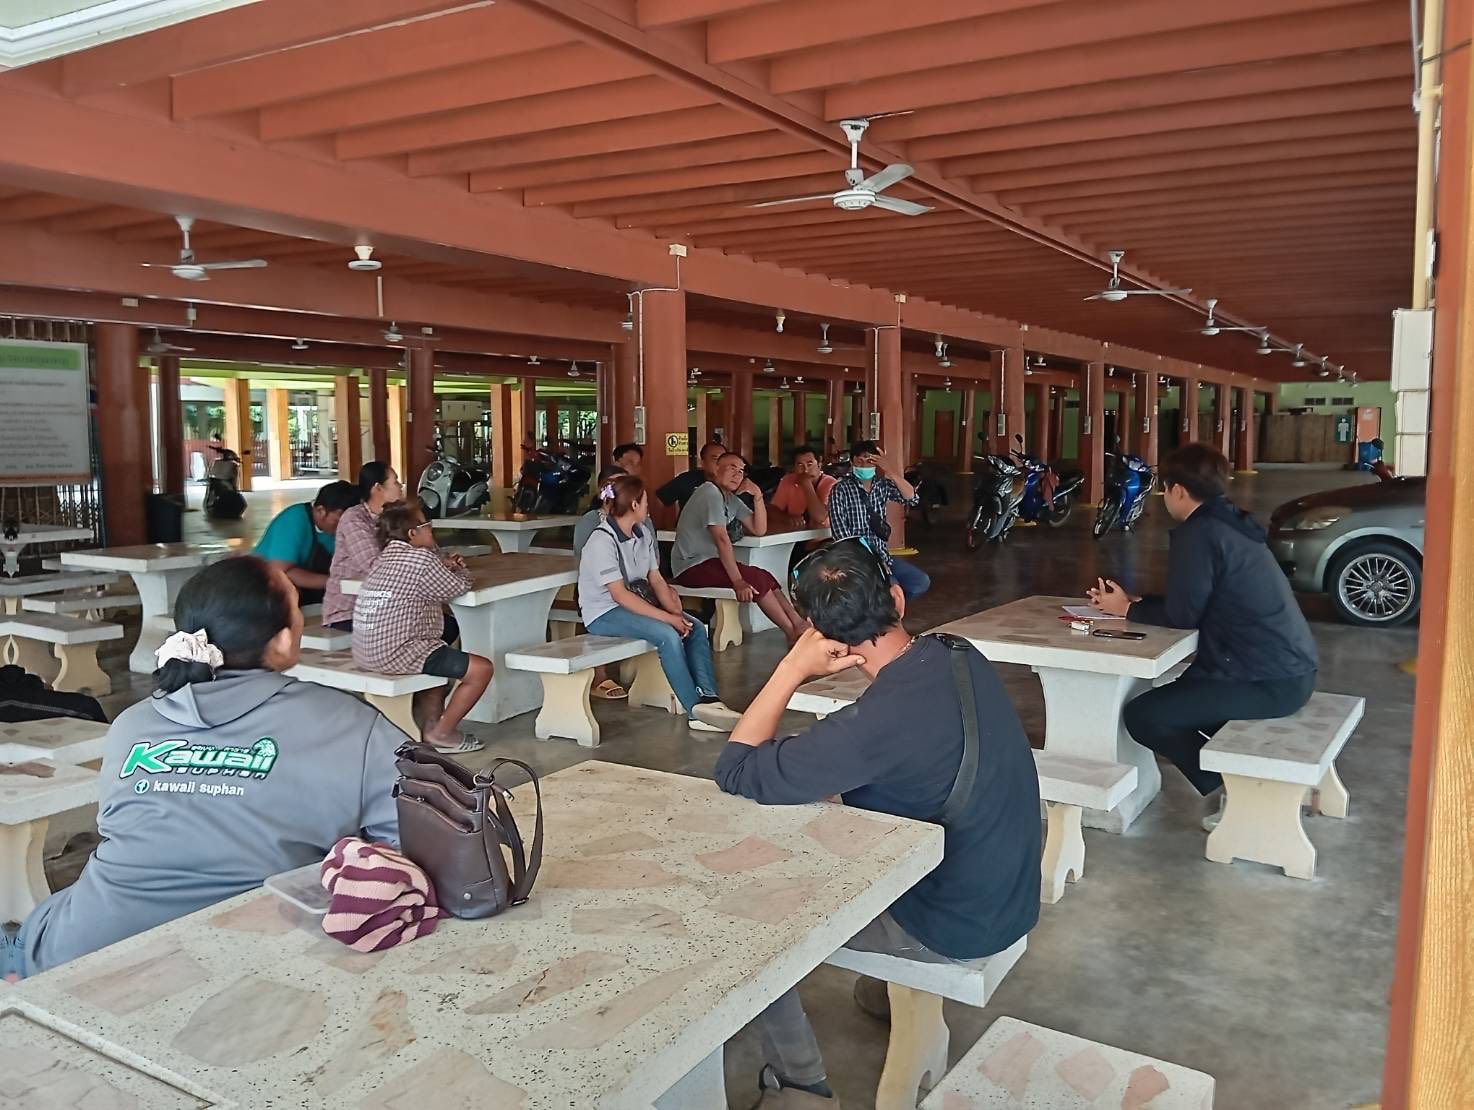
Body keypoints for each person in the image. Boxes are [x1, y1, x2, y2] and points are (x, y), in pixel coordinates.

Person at [714, 539, 1041, 1105]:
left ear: (822, 636)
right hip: (1009, 892)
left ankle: (801, 1084)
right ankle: (884, 990)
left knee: (750, 920)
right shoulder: (956, 652)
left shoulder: (871, 728)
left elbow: (735, 768)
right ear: (897, 598)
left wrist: (792, 668)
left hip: (955, 925)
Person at [4, 556, 402, 979]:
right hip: (249, 964)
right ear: (283, 642)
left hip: (77, 947)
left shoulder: (132, 724)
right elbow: (414, 840)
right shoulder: (351, 725)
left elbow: (121, 829)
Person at [1088, 443, 1318, 822]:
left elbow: (1183, 614)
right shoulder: (1230, 522)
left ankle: (1232, 793)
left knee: (1145, 716)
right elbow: (1199, 596)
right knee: (1181, 702)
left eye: (1165, 490)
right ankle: (1235, 783)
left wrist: (1126, 610)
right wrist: (1137, 602)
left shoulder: (1199, 533)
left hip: (1264, 679)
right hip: (1286, 669)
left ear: (1178, 490)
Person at [580, 475, 740, 734]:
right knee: (667, 635)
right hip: (604, 613)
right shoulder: (601, 541)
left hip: (636, 604)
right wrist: (668, 619)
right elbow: (620, 595)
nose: (648, 506)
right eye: (644, 501)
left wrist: (676, 613)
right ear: (634, 504)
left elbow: (654, 578)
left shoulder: (642, 533)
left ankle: (710, 700)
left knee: (694, 627)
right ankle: (695, 711)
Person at [352, 502, 492, 754]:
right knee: (481, 669)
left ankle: (432, 726)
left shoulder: (384, 558)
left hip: (366, 651)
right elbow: (459, 587)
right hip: (397, 652)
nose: (432, 529)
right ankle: (442, 733)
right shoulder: (421, 559)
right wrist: (461, 569)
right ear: (412, 534)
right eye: (427, 525)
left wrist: (443, 565)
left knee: (439, 649)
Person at [672, 451, 807, 644]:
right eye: (732, 468)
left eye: (742, 471)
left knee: (765, 576)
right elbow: (722, 539)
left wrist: (757, 495)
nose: (737, 475)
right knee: (755, 579)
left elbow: (759, 529)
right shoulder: (709, 492)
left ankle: (798, 623)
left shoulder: (729, 499)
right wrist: (738, 581)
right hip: (690, 567)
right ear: (716, 469)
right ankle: (791, 633)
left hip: (709, 563)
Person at [827, 439, 930, 601]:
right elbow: (841, 535)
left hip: (883, 555)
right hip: (858, 559)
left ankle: (884, 610)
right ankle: (885, 609)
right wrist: (873, 561)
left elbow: (912, 498)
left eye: (869, 461)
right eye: (859, 461)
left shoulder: (882, 485)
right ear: (852, 462)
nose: (864, 465)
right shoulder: (840, 489)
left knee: (920, 581)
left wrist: (890, 470)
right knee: (893, 590)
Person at [571, 464, 630, 701]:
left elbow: (652, 558)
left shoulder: (640, 518)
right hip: (599, 589)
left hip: (632, 588)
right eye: (612, 484)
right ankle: (599, 674)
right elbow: (586, 563)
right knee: (598, 605)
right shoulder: (590, 521)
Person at [322, 461, 404, 631]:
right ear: (378, 488)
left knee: (445, 624)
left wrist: (444, 560)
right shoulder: (354, 519)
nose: (400, 486)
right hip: (350, 611)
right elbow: (373, 567)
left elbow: (423, 547)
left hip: (386, 606)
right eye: (395, 481)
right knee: (435, 627)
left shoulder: (397, 516)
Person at [254, 480, 362, 606]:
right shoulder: (294, 520)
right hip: (265, 588)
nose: (346, 526)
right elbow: (279, 572)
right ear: (321, 511)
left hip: (313, 585)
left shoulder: (338, 531)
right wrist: (336, 583)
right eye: (340, 520)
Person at [770, 445, 836, 529]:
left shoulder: (831, 483)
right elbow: (773, 509)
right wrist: (786, 518)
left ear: (819, 464)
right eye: (800, 465)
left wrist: (806, 484)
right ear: (794, 468)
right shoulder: (788, 480)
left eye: (810, 464)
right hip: (795, 533)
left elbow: (820, 517)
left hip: (823, 534)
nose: (806, 470)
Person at [656, 441, 725, 511]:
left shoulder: (730, 482)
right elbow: (661, 499)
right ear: (702, 462)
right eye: (715, 459)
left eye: (723, 459)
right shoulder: (687, 480)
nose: (720, 463)